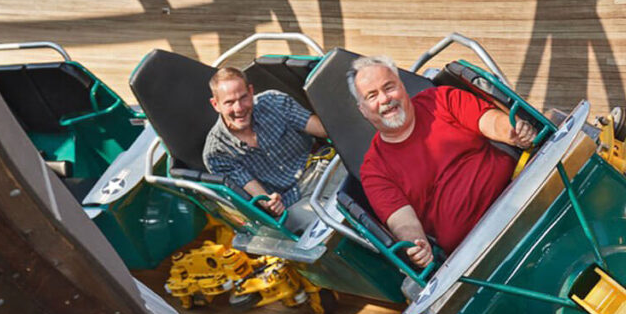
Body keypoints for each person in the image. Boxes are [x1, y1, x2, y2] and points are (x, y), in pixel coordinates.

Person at [351, 55, 534, 268]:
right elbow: (403, 221)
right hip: (475, 248)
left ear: (402, 86)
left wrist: (513, 131)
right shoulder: (374, 170)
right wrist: (416, 244)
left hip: (520, 192)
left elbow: (490, 121)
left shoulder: (440, 99)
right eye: (372, 96)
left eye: (389, 87)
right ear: (363, 109)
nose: (384, 99)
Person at [202, 67, 327, 223]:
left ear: (251, 91)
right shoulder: (217, 152)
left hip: (322, 170)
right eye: (229, 102)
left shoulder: (274, 102)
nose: (239, 108)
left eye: (243, 98)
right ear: (216, 104)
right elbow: (261, 197)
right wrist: (270, 204)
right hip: (294, 201)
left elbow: (324, 130)